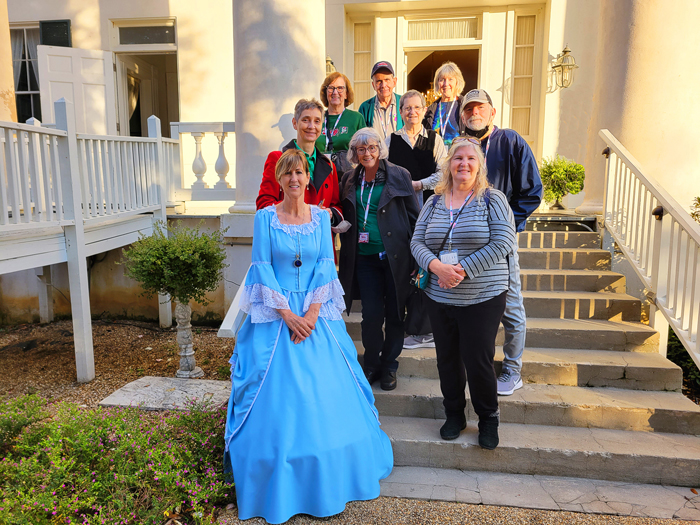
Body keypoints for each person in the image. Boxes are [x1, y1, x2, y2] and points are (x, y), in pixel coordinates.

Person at [225, 149, 393, 524]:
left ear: (306, 177)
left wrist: (313, 313)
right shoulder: (265, 218)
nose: (295, 179)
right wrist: (287, 315)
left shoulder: (321, 218)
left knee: (329, 392)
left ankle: (332, 476)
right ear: (279, 180)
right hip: (277, 314)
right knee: (275, 398)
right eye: (287, 174)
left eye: (300, 172)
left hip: (316, 314)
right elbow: (261, 267)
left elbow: (324, 265)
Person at [410, 138, 516, 449]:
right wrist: (436, 267)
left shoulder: (491, 199)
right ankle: (454, 414)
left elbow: (503, 242)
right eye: (458, 158)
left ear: (479, 165)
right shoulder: (433, 202)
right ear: (448, 164)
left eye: (470, 158)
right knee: (447, 360)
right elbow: (417, 242)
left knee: (478, 359)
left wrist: (462, 270)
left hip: (483, 296)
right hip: (440, 296)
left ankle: (488, 418)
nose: (463, 164)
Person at [459, 88, 543, 396]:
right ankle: (475, 364)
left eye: (480, 108)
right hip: (466, 242)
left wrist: (508, 225)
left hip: (500, 243)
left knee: (510, 305)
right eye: (469, 110)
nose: (474, 113)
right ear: (462, 115)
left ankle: (512, 369)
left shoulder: (510, 141)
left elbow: (532, 191)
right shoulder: (459, 146)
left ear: (492, 112)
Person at [338, 128, 419, 391]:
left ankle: (390, 366)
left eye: (372, 147)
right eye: (361, 149)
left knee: (396, 314)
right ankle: (371, 363)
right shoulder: (350, 179)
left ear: (379, 149)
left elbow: (414, 217)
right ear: (354, 153)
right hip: (364, 259)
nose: (367, 153)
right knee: (371, 316)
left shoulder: (399, 175)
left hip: (396, 257)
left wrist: (417, 257)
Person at [385, 89, 447, 351]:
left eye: (417, 108)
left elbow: (444, 175)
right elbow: (386, 173)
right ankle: (406, 326)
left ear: (424, 110)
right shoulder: (392, 140)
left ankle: (425, 330)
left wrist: (418, 184)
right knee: (406, 266)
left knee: (426, 267)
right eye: (407, 108)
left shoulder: (434, 140)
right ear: (400, 112)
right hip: (400, 214)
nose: (412, 112)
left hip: (429, 212)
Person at [256, 98, 343, 228]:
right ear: (295, 123)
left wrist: (330, 213)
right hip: (288, 238)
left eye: (317, 121)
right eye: (305, 120)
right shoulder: (277, 159)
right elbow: (264, 204)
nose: (311, 126)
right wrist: (295, 212)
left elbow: (337, 206)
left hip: (320, 241)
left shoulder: (330, 166)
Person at [316, 72, 366, 177]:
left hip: (346, 178)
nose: (335, 92)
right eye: (331, 88)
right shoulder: (317, 118)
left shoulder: (356, 118)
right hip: (319, 175)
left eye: (340, 88)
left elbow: (365, 150)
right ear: (325, 92)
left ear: (346, 94)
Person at [358, 61, 404, 141]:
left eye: (387, 80)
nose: (383, 85)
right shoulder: (365, 107)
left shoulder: (404, 102)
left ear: (394, 82)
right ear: (373, 85)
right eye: (379, 81)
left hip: (399, 153)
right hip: (375, 153)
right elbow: (361, 138)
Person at [423, 61, 465, 148]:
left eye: (450, 79)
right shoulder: (431, 109)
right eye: (442, 79)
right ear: (438, 83)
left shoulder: (465, 106)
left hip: (458, 157)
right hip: (435, 158)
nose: (446, 84)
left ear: (457, 82)